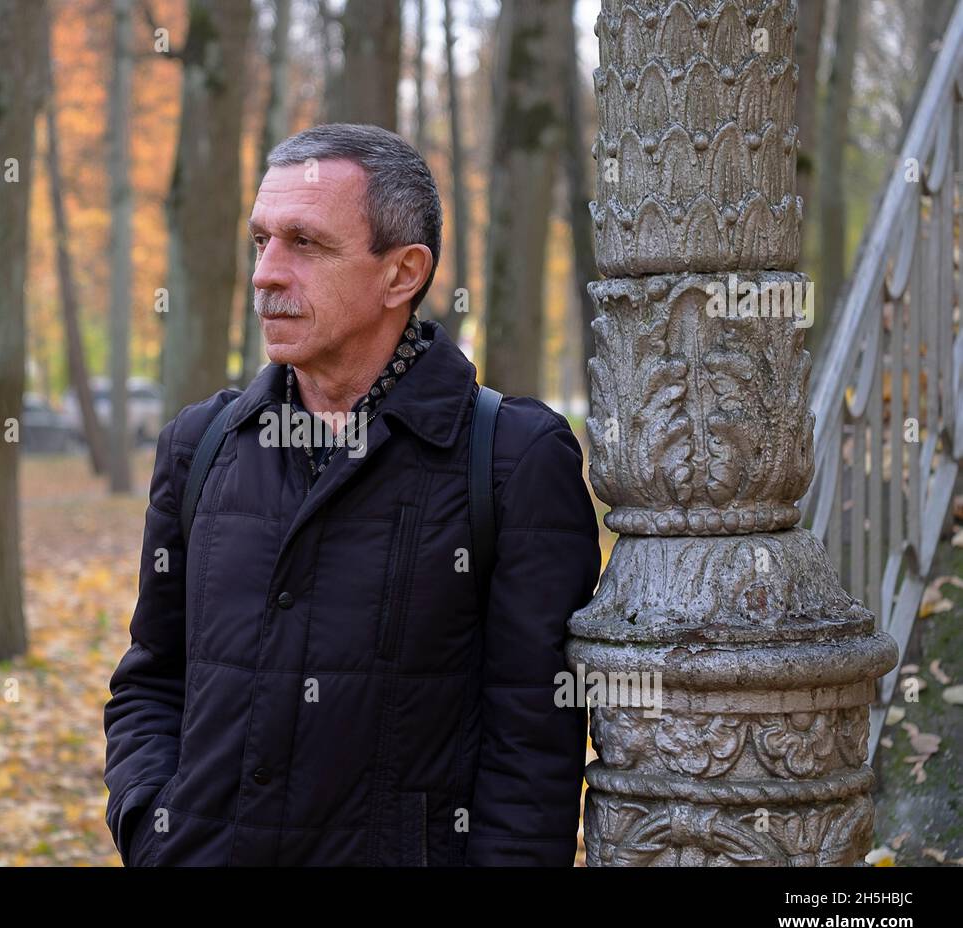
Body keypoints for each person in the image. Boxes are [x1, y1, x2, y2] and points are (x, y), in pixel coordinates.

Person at [103, 123, 601, 866]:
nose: (266, 273)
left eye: (305, 244)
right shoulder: (200, 446)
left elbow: (533, 756)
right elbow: (150, 680)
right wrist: (153, 829)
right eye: (260, 240)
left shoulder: (512, 460)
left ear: (402, 274)